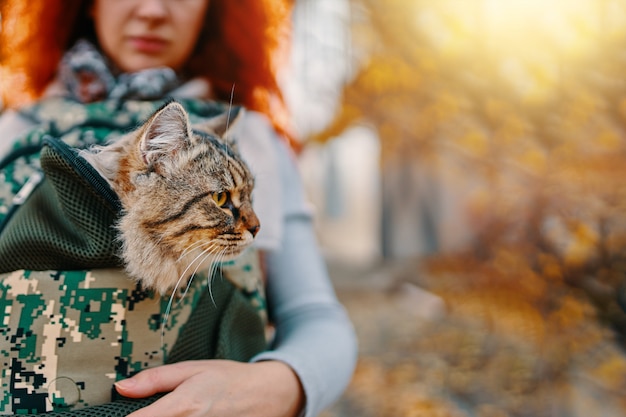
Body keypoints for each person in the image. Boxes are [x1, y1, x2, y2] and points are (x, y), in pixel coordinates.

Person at [0, 1, 358, 416]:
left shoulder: (252, 135)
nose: (153, 10)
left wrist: (274, 386)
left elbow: (316, 317)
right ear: (88, 5)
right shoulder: (12, 131)